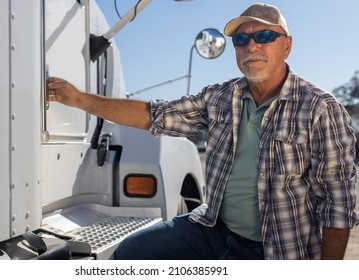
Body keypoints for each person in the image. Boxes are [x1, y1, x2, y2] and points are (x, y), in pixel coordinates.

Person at [47, 3, 359, 260]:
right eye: (241, 39)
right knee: (131, 253)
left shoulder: (321, 109)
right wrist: (79, 99)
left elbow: (337, 204)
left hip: (277, 251)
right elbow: (156, 115)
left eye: (264, 36)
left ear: (286, 45)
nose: (252, 46)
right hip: (214, 230)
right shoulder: (221, 98)